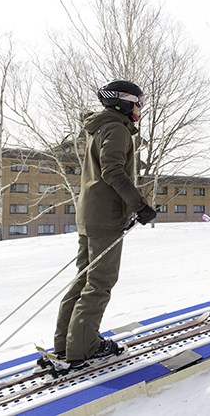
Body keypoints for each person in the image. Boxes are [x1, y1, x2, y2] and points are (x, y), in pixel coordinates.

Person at [53, 79, 157, 369]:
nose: (140, 109)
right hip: (105, 217)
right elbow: (113, 172)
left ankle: (66, 344)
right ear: (123, 102)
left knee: (84, 279)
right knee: (99, 283)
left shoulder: (100, 128)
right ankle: (82, 349)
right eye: (138, 103)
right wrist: (140, 205)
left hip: (90, 213)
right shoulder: (117, 130)